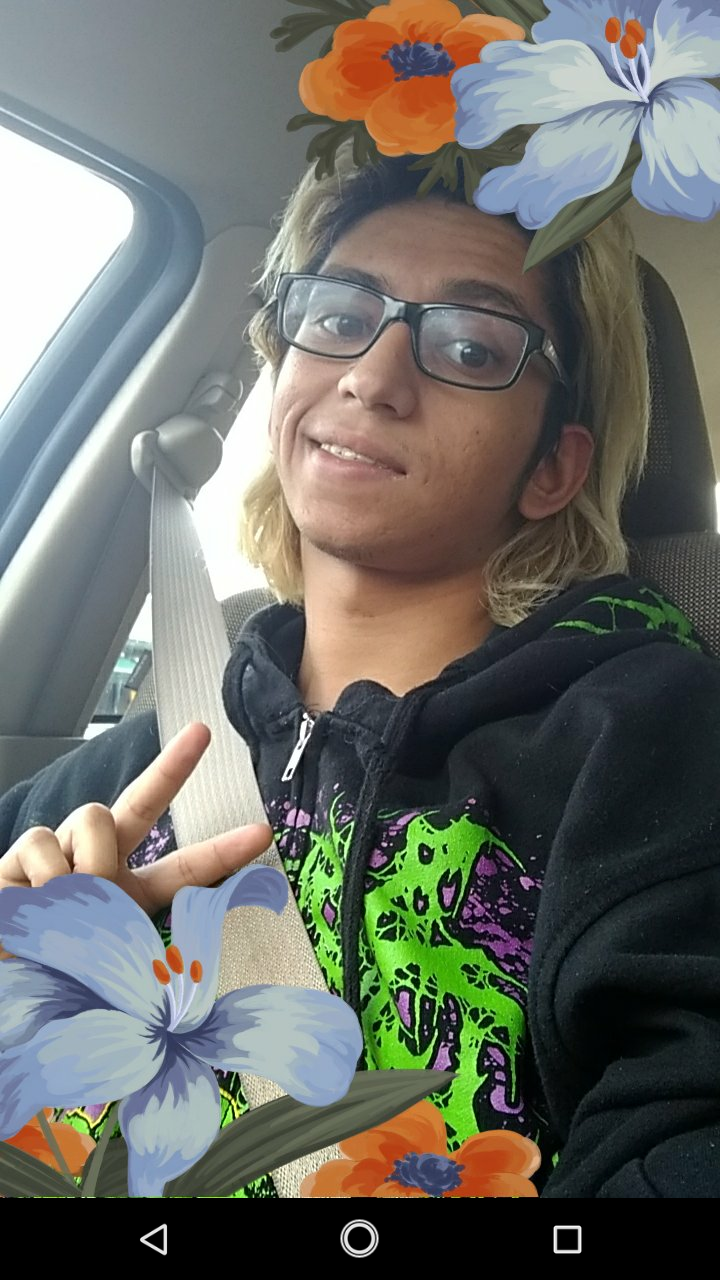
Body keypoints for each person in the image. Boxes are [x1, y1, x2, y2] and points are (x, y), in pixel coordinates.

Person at [2, 142, 720, 1200]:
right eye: (340, 317)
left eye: (470, 345)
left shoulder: (648, 738)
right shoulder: (143, 762)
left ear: (553, 465)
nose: (372, 377)